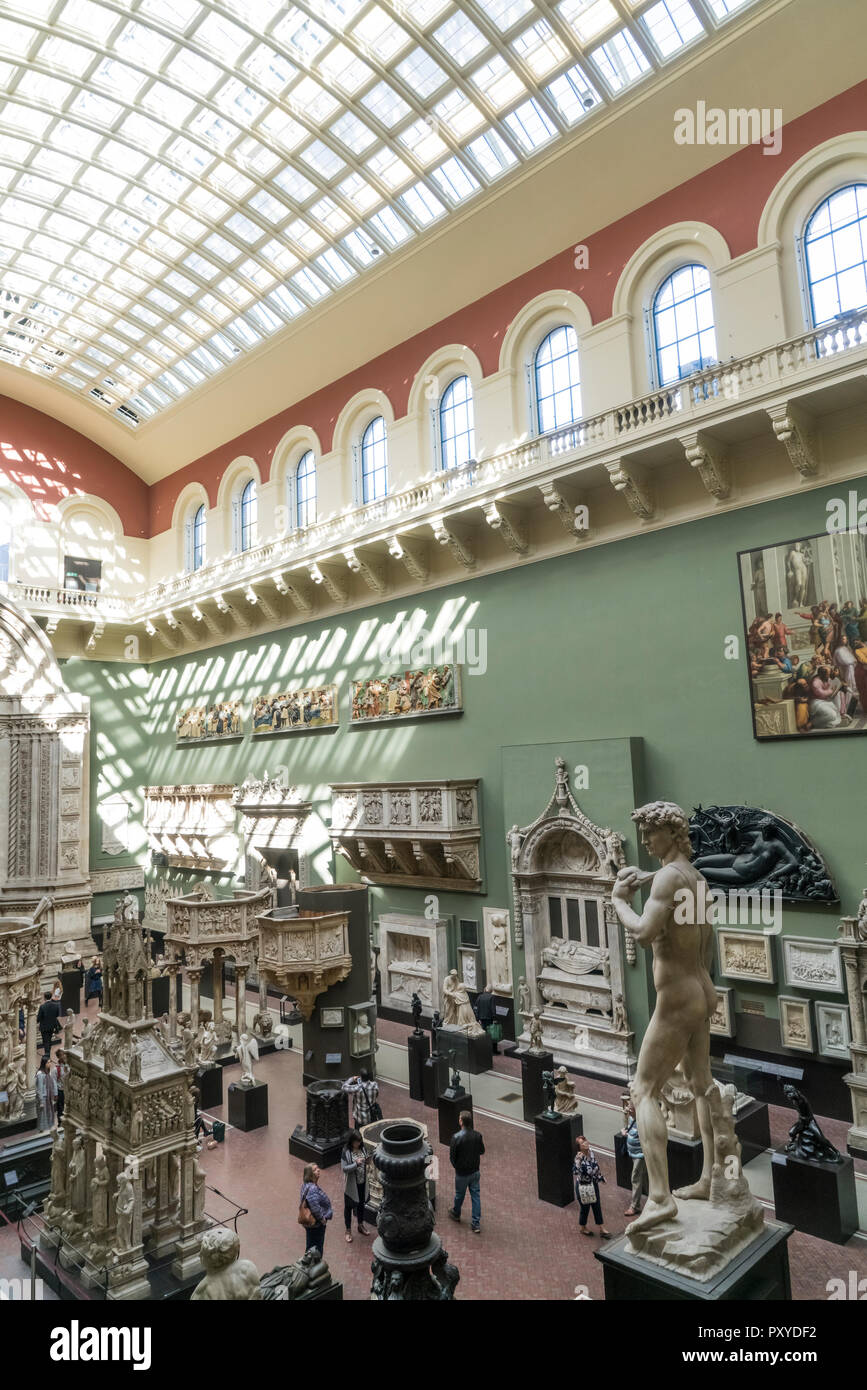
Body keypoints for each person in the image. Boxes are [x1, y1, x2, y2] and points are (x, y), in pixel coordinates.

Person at [448, 1110, 484, 1234]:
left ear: (461, 1121)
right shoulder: (477, 1135)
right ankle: (475, 1223)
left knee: (459, 1195)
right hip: (475, 1172)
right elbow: (482, 1151)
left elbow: (452, 1157)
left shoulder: (456, 1137)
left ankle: (456, 1213)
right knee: (476, 1196)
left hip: (462, 1174)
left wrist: (457, 1167)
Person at [573, 1135, 610, 1238]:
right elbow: (576, 1171)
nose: (586, 1144)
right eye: (583, 1143)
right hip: (583, 1186)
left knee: (596, 1205)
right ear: (579, 1147)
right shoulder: (578, 1157)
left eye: (586, 1141)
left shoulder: (591, 1153)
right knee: (585, 1207)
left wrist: (601, 1178)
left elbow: (596, 1167)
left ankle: (601, 1228)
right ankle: (583, 1227)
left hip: (593, 1183)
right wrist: (579, 1161)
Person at [340, 1130, 370, 1243]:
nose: (358, 1143)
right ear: (351, 1141)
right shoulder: (346, 1152)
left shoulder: (363, 1148)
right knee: (348, 1207)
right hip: (351, 1185)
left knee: (361, 1204)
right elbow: (344, 1168)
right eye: (356, 1142)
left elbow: (366, 1160)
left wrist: (367, 1161)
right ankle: (348, 1231)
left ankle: (360, 1225)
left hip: (362, 1182)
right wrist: (356, 1164)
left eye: (359, 1141)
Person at [299, 1164, 332, 1254]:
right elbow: (315, 1207)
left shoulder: (305, 1185)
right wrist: (322, 1219)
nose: (318, 1170)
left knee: (310, 1244)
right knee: (316, 1248)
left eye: (317, 1168)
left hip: (310, 1224)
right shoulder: (313, 1188)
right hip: (316, 1224)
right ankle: (314, 1265)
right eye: (314, 1170)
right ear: (310, 1174)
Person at [621, 1101, 645, 1217]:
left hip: (640, 1155)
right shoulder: (631, 1118)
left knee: (635, 1178)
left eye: (631, 1108)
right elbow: (629, 1129)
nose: (628, 1110)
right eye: (628, 1107)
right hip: (632, 1152)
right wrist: (625, 1132)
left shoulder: (642, 1121)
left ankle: (634, 1206)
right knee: (638, 1177)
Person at [35, 1055, 57, 1131]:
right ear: (44, 1063)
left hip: (48, 1097)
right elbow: (39, 1088)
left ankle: (48, 1129)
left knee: (49, 1114)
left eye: (50, 1062)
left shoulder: (47, 1072)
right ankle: (42, 1130)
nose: (50, 1064)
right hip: (43, 1098)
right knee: (43, 1116)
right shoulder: (40, 1074)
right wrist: (41, 1101)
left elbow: (53, 1083)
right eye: (48, 1062)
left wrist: (54, 1094)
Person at [36, 990, 60, 1058]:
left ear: (44, 998)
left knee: (45, 1041)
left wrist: (37, 1021)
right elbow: (57, 1014)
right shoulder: (56, 1005)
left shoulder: (42, 1007)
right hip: (52, 1026)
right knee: (49, 1040)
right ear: (51, 997)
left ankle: (47, 1054)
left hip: (44, 1027)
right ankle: (48, 1052)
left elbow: (39, 1018)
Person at [54, 1049, 69, 1126]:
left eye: (64, 1054)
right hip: (61, 1090)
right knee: (60, 1107)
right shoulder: (56, 1069)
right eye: (62, 1055)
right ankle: (60, 1123)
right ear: (59, 1057)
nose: (64, 1056)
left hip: (68, 1090)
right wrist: (55, 1094)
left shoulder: (69, 1066)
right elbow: (54, 1082)